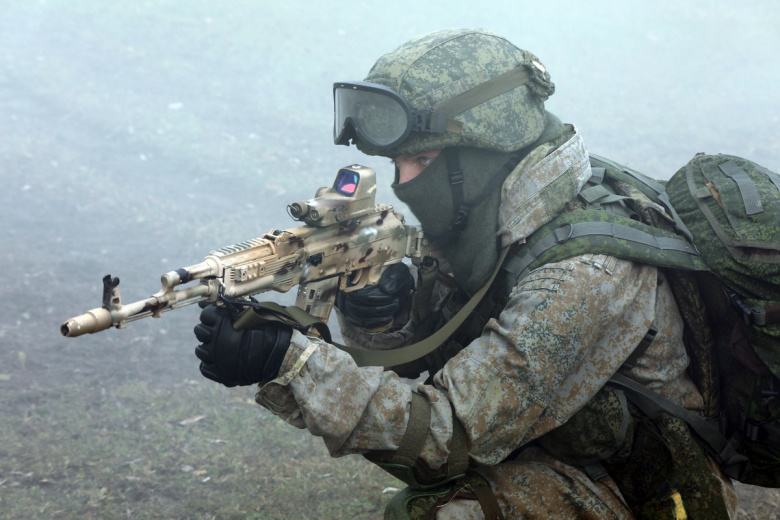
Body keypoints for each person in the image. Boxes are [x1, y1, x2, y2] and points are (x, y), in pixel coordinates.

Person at [194, 29, 738, 519]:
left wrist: (290, 364)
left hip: (651, 493)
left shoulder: (584, 273)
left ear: (483, 151)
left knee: (440, 515)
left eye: (423, 161)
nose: (404, 182)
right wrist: (381, 321)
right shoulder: (493, 211)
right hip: (545, 442)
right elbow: (438, 362)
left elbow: (448, 436)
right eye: (397, 163)